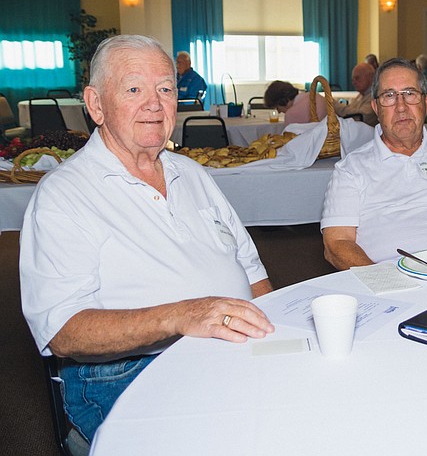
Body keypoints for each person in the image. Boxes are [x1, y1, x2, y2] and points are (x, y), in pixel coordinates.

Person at [19, 35, 275, 444]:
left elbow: (252, 271)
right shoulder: (64, 195)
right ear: (96, 104)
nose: (154, 103)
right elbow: (64, 331)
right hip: (127, 372)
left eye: (166, 89)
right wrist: (181, 316)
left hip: (229, 350)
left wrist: (275, 339)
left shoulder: (192, 174)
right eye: (134, 89)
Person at [320, 57, 427, 269]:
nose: (401, 107)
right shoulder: (350, 168)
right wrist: (386, 282)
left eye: (410, 94)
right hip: (382, 282)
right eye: (389, 96)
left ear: (426, 103)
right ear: (375, 107)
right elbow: (336, 243)